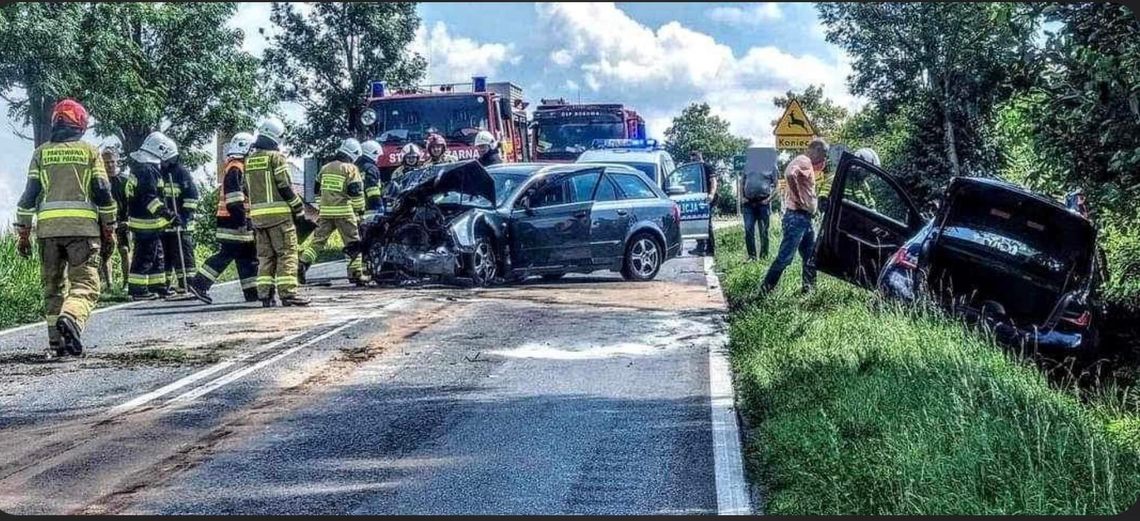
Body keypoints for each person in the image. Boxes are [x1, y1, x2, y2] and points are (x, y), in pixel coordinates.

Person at [13, 99, 118, 357]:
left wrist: (24, 233)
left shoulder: (41, 153)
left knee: (52, 288)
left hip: (48, 233)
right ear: (81, 124)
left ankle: (57, 344)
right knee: (85, 285)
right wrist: (110, 227)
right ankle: (71, 317)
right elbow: (103, 191)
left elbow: (29, 196)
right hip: (83, 232)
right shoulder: (90, 152)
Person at [186, 132, 259, 304]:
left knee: (247, 257)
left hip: (235, 220)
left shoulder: (236, 167)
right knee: (226, 254)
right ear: (245, 149)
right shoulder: (236, 168)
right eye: (251, 150)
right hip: (234, 221)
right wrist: (241, 221)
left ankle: (252, 292)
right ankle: (199, 283)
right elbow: (234, 199)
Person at [245, 117, 310, 307]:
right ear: (276, 137)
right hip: (280, 217)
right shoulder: (276, 158)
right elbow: (285, 186)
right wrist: (298, 208)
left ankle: (265, 295)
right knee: (287, 254)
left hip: (258, 219)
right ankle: (288, 294)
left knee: (265, 257)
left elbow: (246, 189)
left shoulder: (249, 161)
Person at [760, 138, 829, 294]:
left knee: (810, 257)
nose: (824, 158)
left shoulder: (808, 164)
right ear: (816, 149)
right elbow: (790, 174)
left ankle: (809, 292)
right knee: (785, 258)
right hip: (797, 217)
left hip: (805, 219)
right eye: (823, 154)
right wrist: (800, 199)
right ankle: (764, 291)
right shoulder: (803, 160)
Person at [299, 138, 366, 285]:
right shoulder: (351, 169)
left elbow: (316, 190)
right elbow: (356, 193)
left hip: (325, 213)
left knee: (318, 242)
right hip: (345, 213)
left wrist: (321, 206)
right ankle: (356, 274)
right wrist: (360, 213)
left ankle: (302, 264)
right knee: (353, 243)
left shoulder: (325, 168)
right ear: (353, 154)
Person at [126, 132, 180, 301]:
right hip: (145, 223)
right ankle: (138, 289)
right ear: (160, 151)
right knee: (145, 257)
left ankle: (159, 286)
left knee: (157, 256)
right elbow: (150, 199)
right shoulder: (147, 170)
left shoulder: (142, 167)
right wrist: (168, 214)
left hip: (148, 223)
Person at [158, 143, 200, 298]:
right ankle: (166, 287)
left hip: (181, 226)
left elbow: (192, 197)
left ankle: (188, 285)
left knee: (184, 256)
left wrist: (184, 218)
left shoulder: (181, 172)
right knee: (166, 259)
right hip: (164, 225)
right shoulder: (159, 173)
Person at [100, 145, 131, 291]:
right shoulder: (100, 181)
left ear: (117, 161)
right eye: (106, 162)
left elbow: (132, 201)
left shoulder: (125, 180)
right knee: (106, 253)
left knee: (124, 250)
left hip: (123, 221)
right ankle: (110, 285)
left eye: (112, 161)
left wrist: (129, 220)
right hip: (105, 222)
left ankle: (127, 282)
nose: (110, 165)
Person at [739, 160, 777, 261]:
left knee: (764, 231)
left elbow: (777, 187)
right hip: (748, 204)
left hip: (763, 203)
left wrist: (768, 200)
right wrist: (742, 197)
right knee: (748, 230)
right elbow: (742, 182)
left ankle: (764, 257)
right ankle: (752, 257)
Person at [688, 150, 718, 256]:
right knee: (697, 222)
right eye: (691, 160)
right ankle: (700, 247)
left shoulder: (707, 167)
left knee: (707, 224)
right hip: (697, 198)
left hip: (707, 198)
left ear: (699, 158)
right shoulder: (694, 170)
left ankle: (710, 249)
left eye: (694, 159)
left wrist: (711, 195)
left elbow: (713, 182)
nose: (692, 162)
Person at [358, 139, 385, 220]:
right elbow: (372, 189)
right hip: (371, 207)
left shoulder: (357, 166)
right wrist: (379, 204)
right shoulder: (371, 168)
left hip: (360, 205)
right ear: (373, 153)